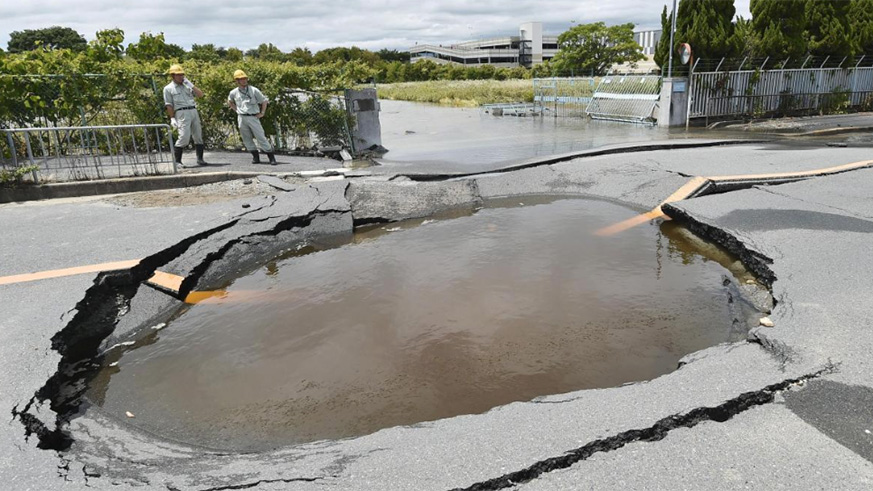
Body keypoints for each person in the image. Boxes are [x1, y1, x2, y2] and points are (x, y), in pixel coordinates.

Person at [227, 70, 276, 165]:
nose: (244, 81)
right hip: (242, 117)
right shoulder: (234, 92)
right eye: (241, 79)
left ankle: (271, 157)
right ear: (237, 81)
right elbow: (230, 101)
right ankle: (255, 157)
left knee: (260, 137)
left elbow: (264, 101)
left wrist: (262, 112)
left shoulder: (254, 90)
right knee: (246, 138)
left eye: (245, 78)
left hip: (253, 116)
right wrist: (236, 110)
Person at [163, 64, 208, 166]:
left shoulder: (187, 85)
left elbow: (200, 95)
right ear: (172, 76)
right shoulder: (168, 88)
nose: (181, 77)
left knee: (198, 135)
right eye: (178, 75)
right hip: (181, 112)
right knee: (184, 137)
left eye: (182, 74)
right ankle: (177, 161)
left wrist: (191, 85)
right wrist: (172, 118)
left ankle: (200, 159)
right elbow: (169, 104)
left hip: (193, 110)